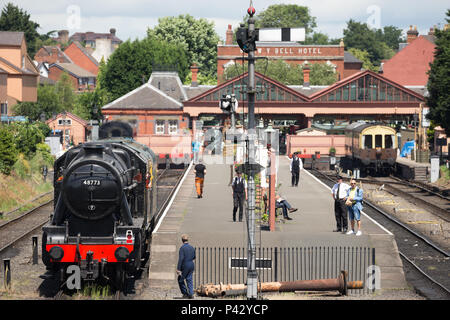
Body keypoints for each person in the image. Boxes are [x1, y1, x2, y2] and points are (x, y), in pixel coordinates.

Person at [176, 234, 196, 299]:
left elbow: (181, 258)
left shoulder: (182, 248)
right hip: (191, 264)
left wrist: (178, 269)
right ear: (187, 240)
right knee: (189, 279)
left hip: (185, 265)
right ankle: (191, 294)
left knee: (180, 279)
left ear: (182, 240)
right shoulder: (192, 247)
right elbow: (194, 257)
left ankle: (185, 293)